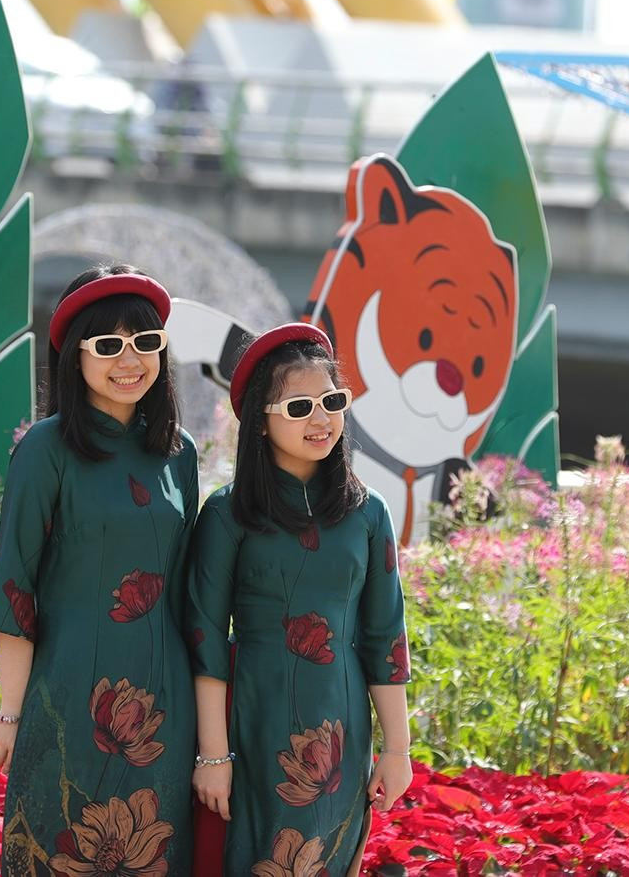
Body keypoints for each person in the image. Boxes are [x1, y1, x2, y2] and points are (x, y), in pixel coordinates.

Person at [0, 264, 199, 876]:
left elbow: (187, 590)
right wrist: (12, 713)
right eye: (107, 345)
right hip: (66, 699)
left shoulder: (179, 453)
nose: (129, 360)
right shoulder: (44, 449)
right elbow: (15, 589)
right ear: (75, 357)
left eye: (145, 341)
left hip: (162, 708)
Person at [187, 323, 414, 876]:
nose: (321, 420)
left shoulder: (369, 513)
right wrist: (213, 755)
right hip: (255, 722)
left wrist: (397, 750)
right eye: (299, 407)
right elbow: (205, 638)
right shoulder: (227, 514)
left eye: (332, 402)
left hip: (342, 724)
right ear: (259, 421)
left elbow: (385, 637)